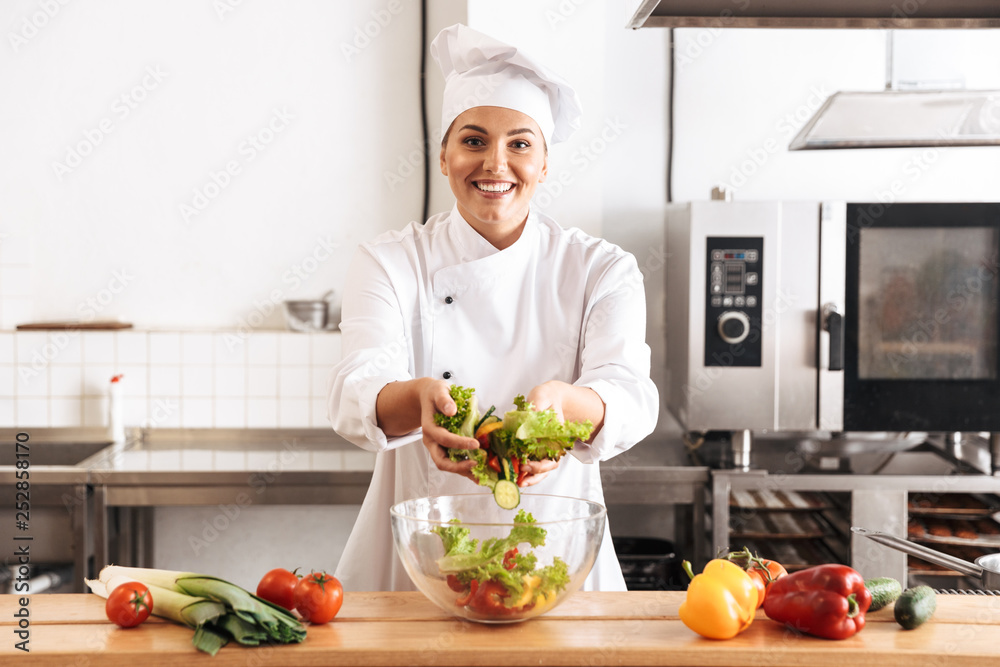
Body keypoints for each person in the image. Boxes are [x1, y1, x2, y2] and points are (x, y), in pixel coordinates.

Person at [328, 23, 658, 592]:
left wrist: (562, 407)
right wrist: (417, 402)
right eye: (474, 141)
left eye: (520, 144)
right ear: (443, 156)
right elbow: (357, 389)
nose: (495, 164)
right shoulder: (390, 262)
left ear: (546, 162)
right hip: (420, 550)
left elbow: (629, 394)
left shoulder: (601, 268)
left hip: (558, 547)